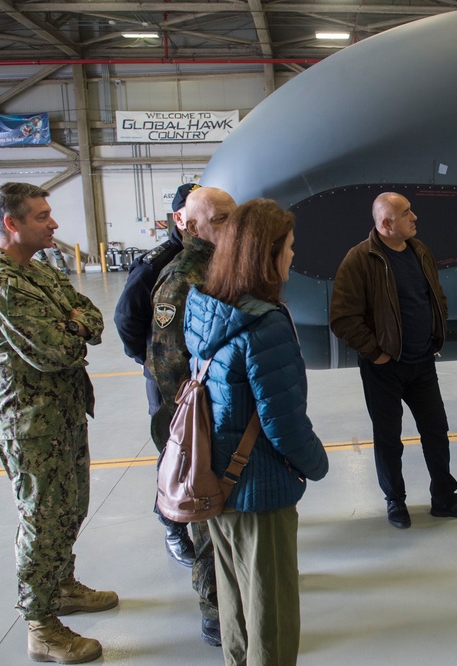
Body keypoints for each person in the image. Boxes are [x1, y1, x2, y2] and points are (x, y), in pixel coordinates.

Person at [0, 182, 117, 664]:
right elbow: (59, 351)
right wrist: (73, 327)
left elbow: (94, 318)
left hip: (64, 413)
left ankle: (63, 586)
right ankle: (41, 625)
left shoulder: (39, 271)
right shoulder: (0, 284)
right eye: (41, 216)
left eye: (50, 213)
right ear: (11, 224)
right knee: (41, 520)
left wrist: (73, 322)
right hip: (31, 423)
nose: (53, 223)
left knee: (70, 508)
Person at [184, 198, 329, 666]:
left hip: (216, 483)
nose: (292, 257)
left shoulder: (208, 310)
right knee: (272, 615)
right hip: (260, 491)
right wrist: (317, 464)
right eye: (288, 248)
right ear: (266, 255)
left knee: (235, 605)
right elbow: (282, 421)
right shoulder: (266, 324)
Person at [329, 192, 457, 529]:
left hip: (422, 362)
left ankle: (444, 498)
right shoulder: (360, 259)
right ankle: (395, 502)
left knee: (437, 432)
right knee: (388, 438)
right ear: (386, 224)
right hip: (383, 368)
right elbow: (343, 317)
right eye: (406, 213)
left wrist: (434, 332)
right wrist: (377, 353)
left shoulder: (420, 251)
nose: (415, 217)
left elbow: (434, 295)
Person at [146, 185, 236, 646]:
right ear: (191, 224)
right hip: (201, 425)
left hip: (229, 421)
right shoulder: (183, 277)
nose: (229, 226)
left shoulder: (224, 267)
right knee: (204, 522)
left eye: (232, 217)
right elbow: (166, 369)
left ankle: (235, 596)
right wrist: (189, 433)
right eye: (219, 219)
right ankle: (214, 612)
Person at [114, 182, 199, 567]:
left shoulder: (214, 256)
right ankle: (173, 527)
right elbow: (126, 317)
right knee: (174, 448)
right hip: (166, 376)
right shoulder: (157, 261)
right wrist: (147, 359)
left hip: (200, 372)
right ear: (180, 218)